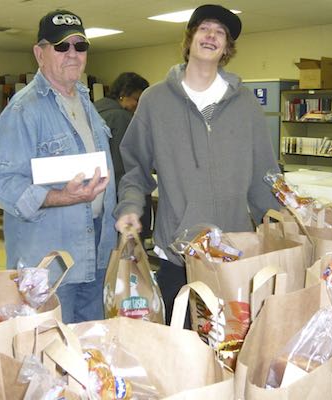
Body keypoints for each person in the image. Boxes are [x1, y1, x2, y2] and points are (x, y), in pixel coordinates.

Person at [114, 4, 281, 325]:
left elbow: (265, 174)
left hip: (234, 254)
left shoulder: (245, 103)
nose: (211, 35)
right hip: (179, 255)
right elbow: (135, 167)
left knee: (230, 352)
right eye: (204, 28)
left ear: (226, 48)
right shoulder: (155, 100)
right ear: (189, 39)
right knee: (180, 352)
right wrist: (130, 206)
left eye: (220, 32)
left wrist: (280, 223)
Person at [0, 9, 117, 323]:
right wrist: (63, 197)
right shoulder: (23, 110)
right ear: (39, 53)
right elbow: (5, 185)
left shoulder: (86, 102)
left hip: (96, 251)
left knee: (90, 346)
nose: (72, 54)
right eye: (62, 47)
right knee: (52, 355)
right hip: (52, 264)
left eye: (80, 46)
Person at [94, 73, 153, 240]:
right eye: (136, 99)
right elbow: (127, 166)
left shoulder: (94, 110)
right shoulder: (121, 117)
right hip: (120, 197)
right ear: (124, 94)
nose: (138, 105)